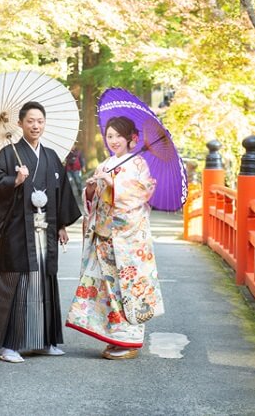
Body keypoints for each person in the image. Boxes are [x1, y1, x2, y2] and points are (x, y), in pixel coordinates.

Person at [0, 101, 82, 363]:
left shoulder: (50, 156)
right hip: (18, 232)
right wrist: (13, 181)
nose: (35, 125)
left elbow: (61, 193)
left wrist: (61, 224)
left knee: (44, 284)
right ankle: (9, 346)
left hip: (45, 230)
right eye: (30, 121)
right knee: (18, 284)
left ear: (44, 123)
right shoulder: (8, 155)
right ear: (20, 124)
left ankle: (43, 341)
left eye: (39, 121)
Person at [65, 116, 164, 359]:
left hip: (128, 240)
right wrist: (91, 190)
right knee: (107, 287)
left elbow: (140, 196)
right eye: (110, 136)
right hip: (105, 235)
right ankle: (114, 336)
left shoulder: (139, 165)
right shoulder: (106, 163)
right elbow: (97, 201)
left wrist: (114, 185)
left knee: (126, 287)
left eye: (119, 136)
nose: (114, 141)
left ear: (132, 139)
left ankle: (129, 339)